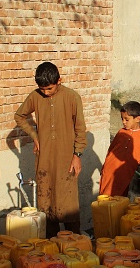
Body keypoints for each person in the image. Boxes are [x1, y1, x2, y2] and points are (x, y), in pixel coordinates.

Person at [14, 62, 87, 237]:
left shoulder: (72, 97)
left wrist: (77, 155)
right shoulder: (35, 96)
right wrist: (34, 135)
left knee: (68, 203)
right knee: (46, 200)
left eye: (49, 89)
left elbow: (80, 129)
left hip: (67, 158)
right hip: (44, 157)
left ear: (59, 81)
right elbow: (19, 116)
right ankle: (52, 245)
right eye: (42, 89)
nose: (46, 93)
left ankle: (75, 244)